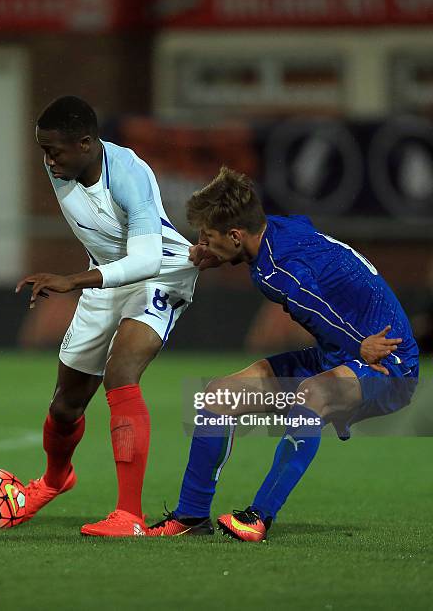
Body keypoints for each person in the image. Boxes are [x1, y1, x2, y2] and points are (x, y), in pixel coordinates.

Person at [147, 166, 419, 541]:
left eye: (207, 237)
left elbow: (318, 306)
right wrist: (217, 254)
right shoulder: (276, 230)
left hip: (389, 364)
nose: (202, 244)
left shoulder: (276, 272)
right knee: (216, 397)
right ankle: (191, 516)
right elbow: (300, 231)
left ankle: (259, 516)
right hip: (338, 352)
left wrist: (359, 346)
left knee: (312, 396)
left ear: (236, 235)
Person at [15, 96, 198, 537]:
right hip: (105, 275)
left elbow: (146, 260)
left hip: (160, 271)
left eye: (55, 151)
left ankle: (129, 515)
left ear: (86, 143)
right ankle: (55, 480)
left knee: (121, 374)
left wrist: (72, 280)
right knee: (65, 404)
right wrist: (88, 277)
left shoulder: (130, 175)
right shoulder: (61, 162)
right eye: (43, 149)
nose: (48, 160)